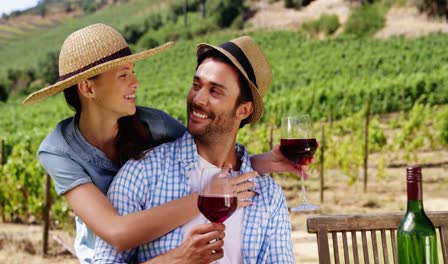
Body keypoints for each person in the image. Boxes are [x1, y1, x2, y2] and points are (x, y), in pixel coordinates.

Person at [22, 24, 301, 263]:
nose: (136, 83)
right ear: (88, 88)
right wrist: (204, 205)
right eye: (123, 75)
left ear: (244, 110)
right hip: (102, 240)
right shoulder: (62, 151)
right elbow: (116, 233)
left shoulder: (156, 124)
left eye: (214, 90)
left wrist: (257, 163)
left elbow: (207, 149)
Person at [93, 36, 295, 263]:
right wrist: (178, 259)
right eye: (196, 85)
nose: (198, 98)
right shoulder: (142, 174)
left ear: (244, 110)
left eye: (215, 91)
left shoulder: (267, 195)